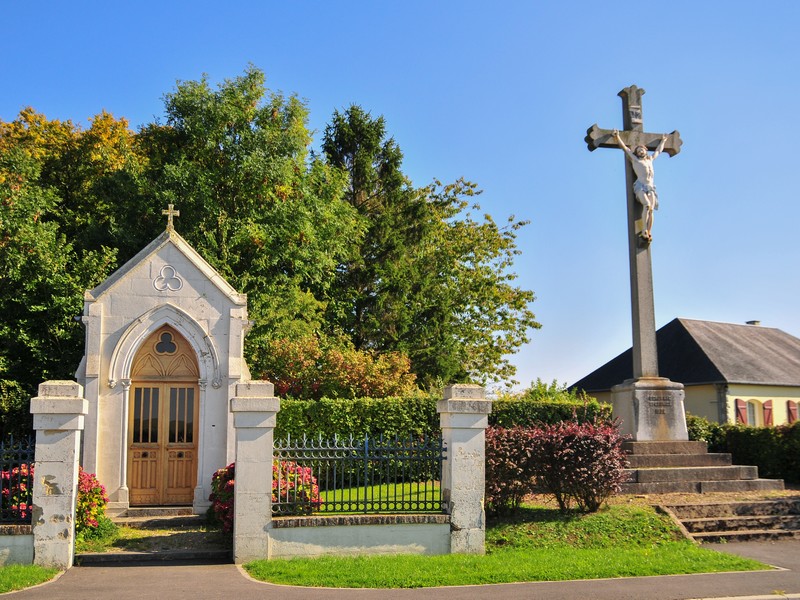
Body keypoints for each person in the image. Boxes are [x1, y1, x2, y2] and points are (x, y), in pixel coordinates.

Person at [612, 129, 668, 241]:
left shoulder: (650, 159)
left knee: (651, 209)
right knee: (647, 205)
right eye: (638, 150)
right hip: (640, 186)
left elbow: (658, 151)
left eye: (642, 149)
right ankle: (643, 230)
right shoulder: (635, 160)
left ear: (645, 151)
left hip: (651, 187)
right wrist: (617, 137)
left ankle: (649, 231)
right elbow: (625, 149)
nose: (640, 151)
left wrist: (663, 141)